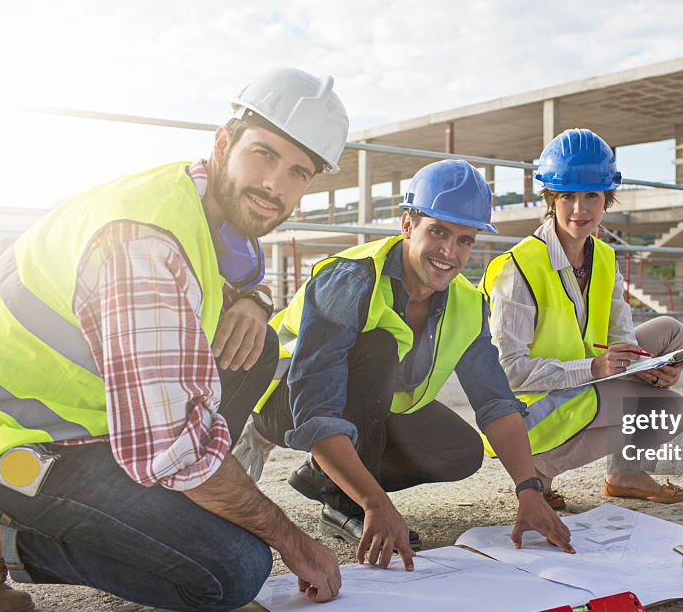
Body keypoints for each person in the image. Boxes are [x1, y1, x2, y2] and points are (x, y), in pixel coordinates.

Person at [0, 68, 351, 612]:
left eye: (298, 172)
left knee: (255, 351)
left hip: (96, 422)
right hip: (20, 439)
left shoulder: (205, 201)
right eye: (263, 154)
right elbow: (174, 449)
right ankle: (6, 541)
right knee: (231, 569)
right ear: (223, 142)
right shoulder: (142, 243)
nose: (274, 185)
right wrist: (290, 538)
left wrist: (253, 302)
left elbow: (243, 263)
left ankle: (184, 505)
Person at [241, 159, 573, 569]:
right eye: (438, 231)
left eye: (464, 240)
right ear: (407, 225)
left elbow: (497, 404)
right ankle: (349, 502)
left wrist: (530, 491)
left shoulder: (466, 305)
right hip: (286, 402)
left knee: (462, 451)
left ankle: (325, 476)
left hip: (370, 412)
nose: (450, 252)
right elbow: (316, 408)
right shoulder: (352, 280)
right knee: (378, 347)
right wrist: (375, 503)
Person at [481, 128, 683, 511]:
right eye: (567, 196)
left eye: (591, 196)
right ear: (550, 199)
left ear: (607, 199)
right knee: (665, 409)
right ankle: (536, 474)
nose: (580, 209)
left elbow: (622, 336)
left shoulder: (605, 260)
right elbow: (508, 371)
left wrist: (655, 369)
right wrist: (593, 368)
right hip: (528, 410)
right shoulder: (519, 268)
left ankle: (626, 475)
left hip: (585, 382)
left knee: (670, 334)